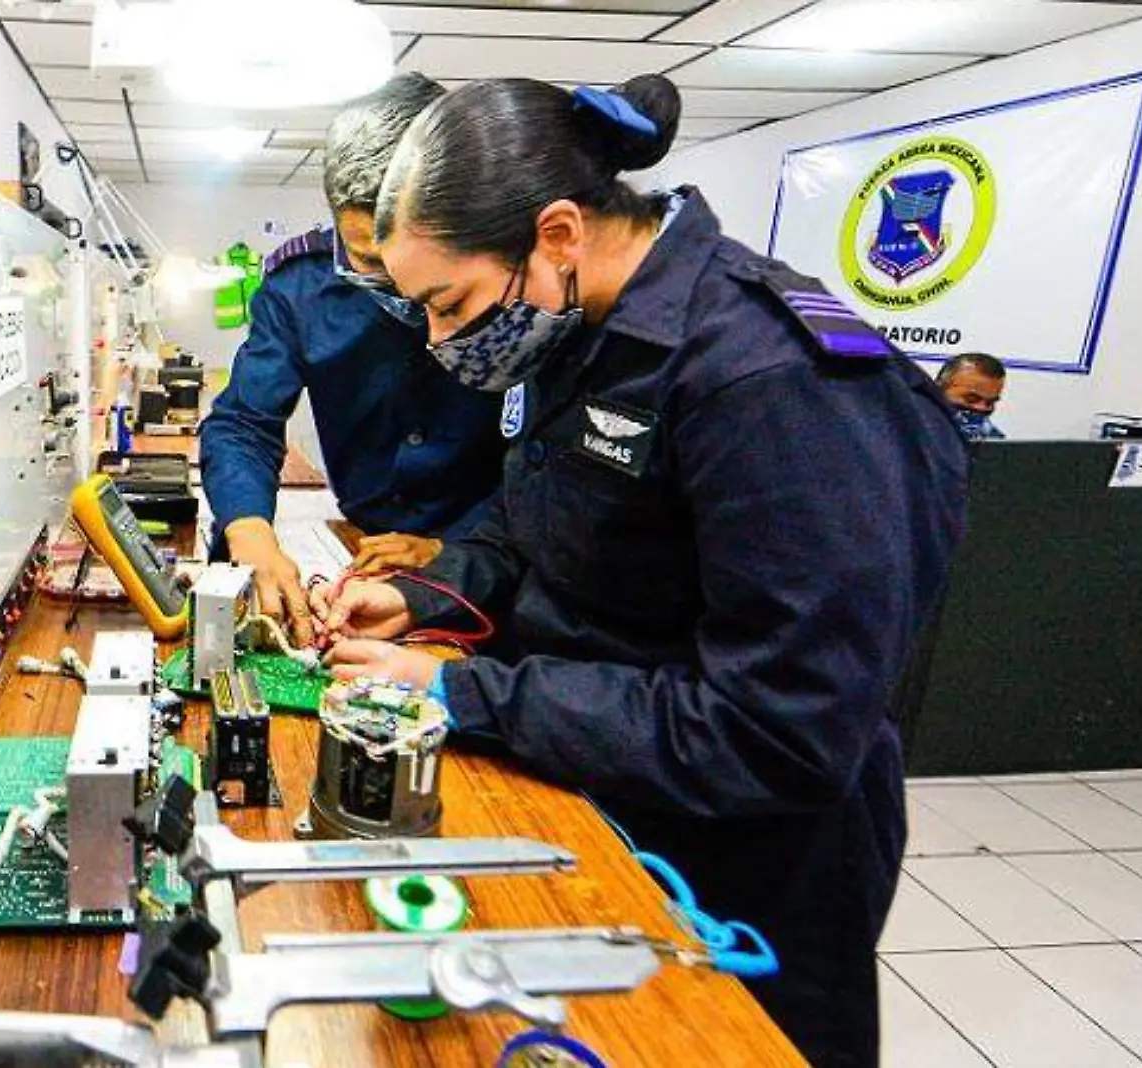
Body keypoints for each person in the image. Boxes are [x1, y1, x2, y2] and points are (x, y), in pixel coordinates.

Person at [311, 75, 968, 1067]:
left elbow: (778, 732)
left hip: (749, 862)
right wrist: (423, 588)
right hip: (601, 789)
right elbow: (541, 529)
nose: (443, 343)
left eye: (449, 303)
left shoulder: (771, 382)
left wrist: (463, 692)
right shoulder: (575, 332)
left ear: (560, 232)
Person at [201, 72, 506, 646]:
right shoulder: (300, 286)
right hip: (364, 553)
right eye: (370, 258)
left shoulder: (512, 284)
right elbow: (243, 422)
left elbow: (545, 460)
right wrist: (249, 530)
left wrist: (456, 548)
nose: (402, 284)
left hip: (492, 559)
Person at [936, 352, 1007, 440]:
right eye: (971, 399)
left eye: (990, 402)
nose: (981, 407)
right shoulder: (916, 431)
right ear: (938, 390)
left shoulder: (993, 440)